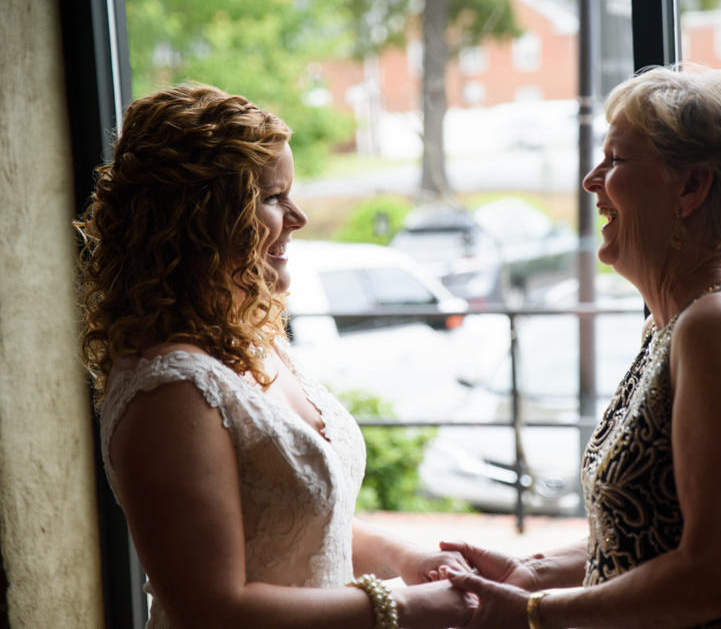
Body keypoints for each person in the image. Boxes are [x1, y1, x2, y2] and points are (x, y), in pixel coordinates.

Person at [75, 85, 474, 629]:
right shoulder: (170, 392)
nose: (299, 217)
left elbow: (294, 523)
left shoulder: (255, 340)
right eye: (272, 197)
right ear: (201, 220)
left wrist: (408, 558)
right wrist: (400, 605)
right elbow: (213, 608)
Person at [440, 66, 721, 627]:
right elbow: (650, 541)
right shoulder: (677, 322)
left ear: (690, 187)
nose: (593, 181)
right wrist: (533, 571)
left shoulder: (720, 325)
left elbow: (718, 577)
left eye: (615, 161)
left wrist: (533, 613)